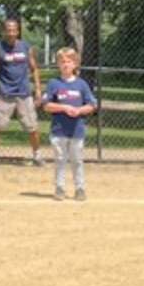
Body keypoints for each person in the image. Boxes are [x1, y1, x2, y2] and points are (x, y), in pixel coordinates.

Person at [0, 18, 44, 167]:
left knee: (32, 128)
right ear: (4, 31)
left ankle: (37, 155)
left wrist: (38, 89)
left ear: (18, 31)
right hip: (4, 94)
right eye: (8, 30)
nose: (11, 33)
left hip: (24, 93)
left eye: (14, 30)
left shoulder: (26, 47)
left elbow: (34, 69)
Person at [42, 48, 97, 201]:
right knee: (60, 159)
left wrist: (79, 110)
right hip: (59, 130)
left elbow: (92, 105)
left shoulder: (81, 84)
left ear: (75, 64)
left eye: (69, 61)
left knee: (77, 160)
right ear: (58, 64)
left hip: (76, 130)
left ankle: (80, 188)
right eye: (63, 62)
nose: (66, 64)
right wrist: (64, 107)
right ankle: (59, 187)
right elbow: (46, 105)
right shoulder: (54, 83)